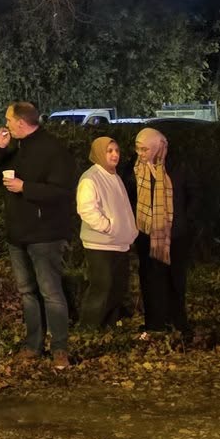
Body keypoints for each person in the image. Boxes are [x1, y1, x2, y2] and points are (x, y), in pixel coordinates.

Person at [0, 102, 77, 367]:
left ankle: (60, 348)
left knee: (50, 291)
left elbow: (62, 192)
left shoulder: (52, 150)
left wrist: (25, 187)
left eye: (8, 119)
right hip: (17, 233)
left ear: (20, 122)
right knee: (27, 291)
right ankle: (34, 345)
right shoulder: (17, 147)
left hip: (45, 234)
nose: (5, 123)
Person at [130, 127, 193, 338]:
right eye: (138, 148)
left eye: (145, 149)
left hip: (174, 235)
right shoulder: (135, 168)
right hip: (146, 234)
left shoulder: (177, 166)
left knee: (175, 279)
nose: (140, 153)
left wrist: (184, 221)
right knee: (150, 279)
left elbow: (193, 195)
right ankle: (155, 323)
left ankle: (178, 321)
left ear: (158, 147)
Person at [74, 135, 135, 332]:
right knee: (102, 286)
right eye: (109, 151)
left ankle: (108, 324)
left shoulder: (114, 176)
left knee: (117, 286)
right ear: (100, 153)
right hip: (100, 244)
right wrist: (108, 226)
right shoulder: (91, 178)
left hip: (118, 242)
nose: (115, 155)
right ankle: (89, 327)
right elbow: (87, 209)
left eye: (116, 150)